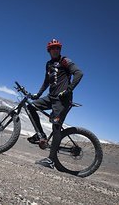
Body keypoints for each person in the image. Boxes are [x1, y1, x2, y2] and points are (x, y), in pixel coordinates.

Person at [27, 38, 83, 169]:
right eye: (52, 48)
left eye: (57, 48)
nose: (55, 50)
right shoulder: (48, 64)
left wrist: (68, 90)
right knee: (31, 106)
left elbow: (79, 73)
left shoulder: (65, 60)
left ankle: (51, 160)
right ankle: (40, 135)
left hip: (63, 99)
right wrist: (38, 94)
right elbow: (46, 81)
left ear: (60, 49)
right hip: (51, 97)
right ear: (49, 51)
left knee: (56, 125)